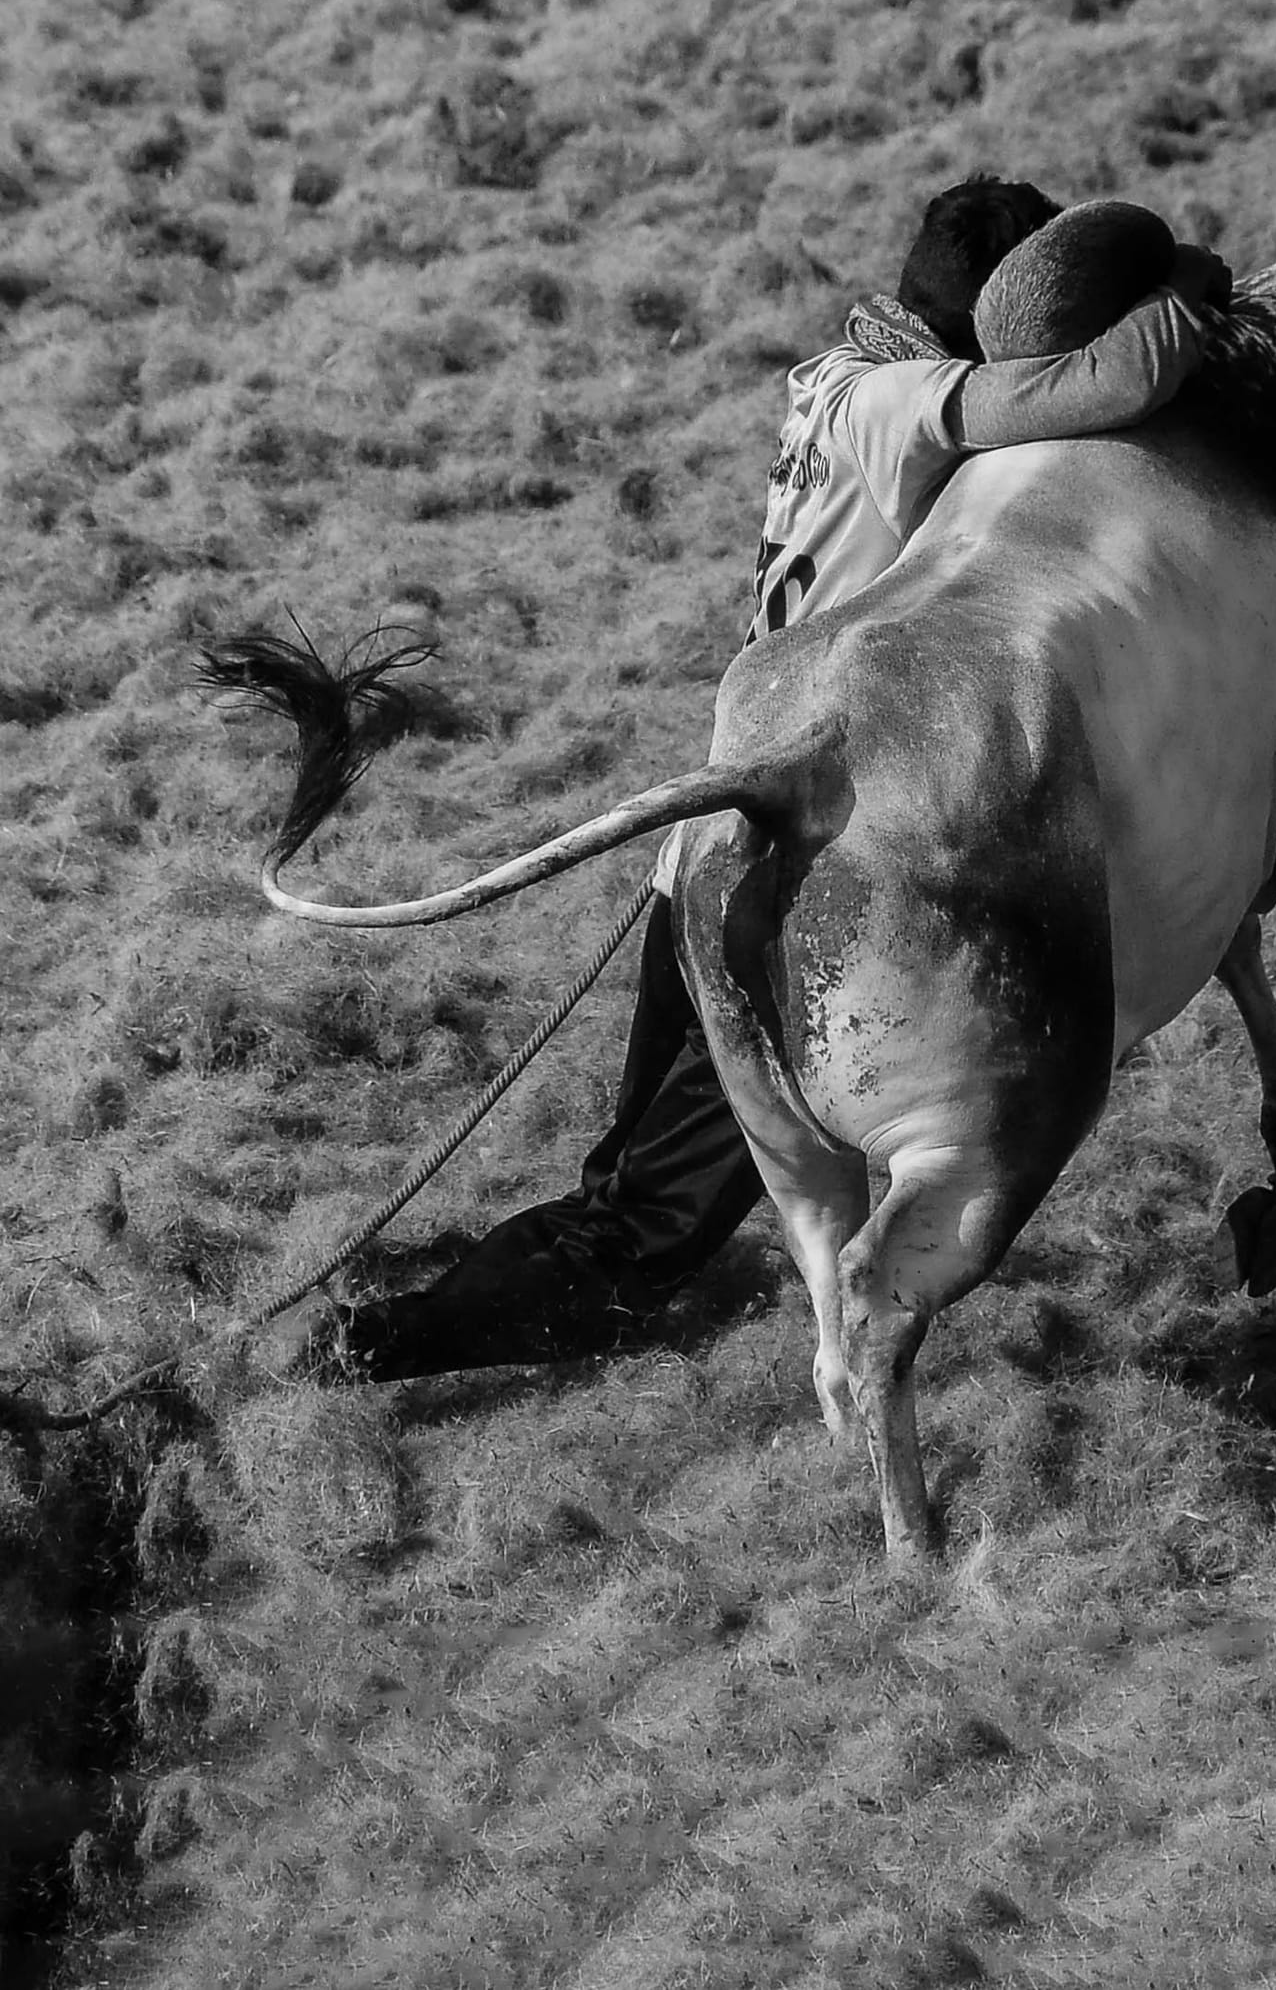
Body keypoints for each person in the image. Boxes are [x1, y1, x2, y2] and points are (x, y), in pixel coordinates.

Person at [308, 179, 1227, 1381]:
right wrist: (1191, 296)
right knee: (649, 1223)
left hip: (713, 831)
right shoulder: (906, 405)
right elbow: (1095, 390)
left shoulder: (830, 376)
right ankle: (383, 1349)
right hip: (789, 870)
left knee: (638, 1182)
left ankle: (426, 1310)